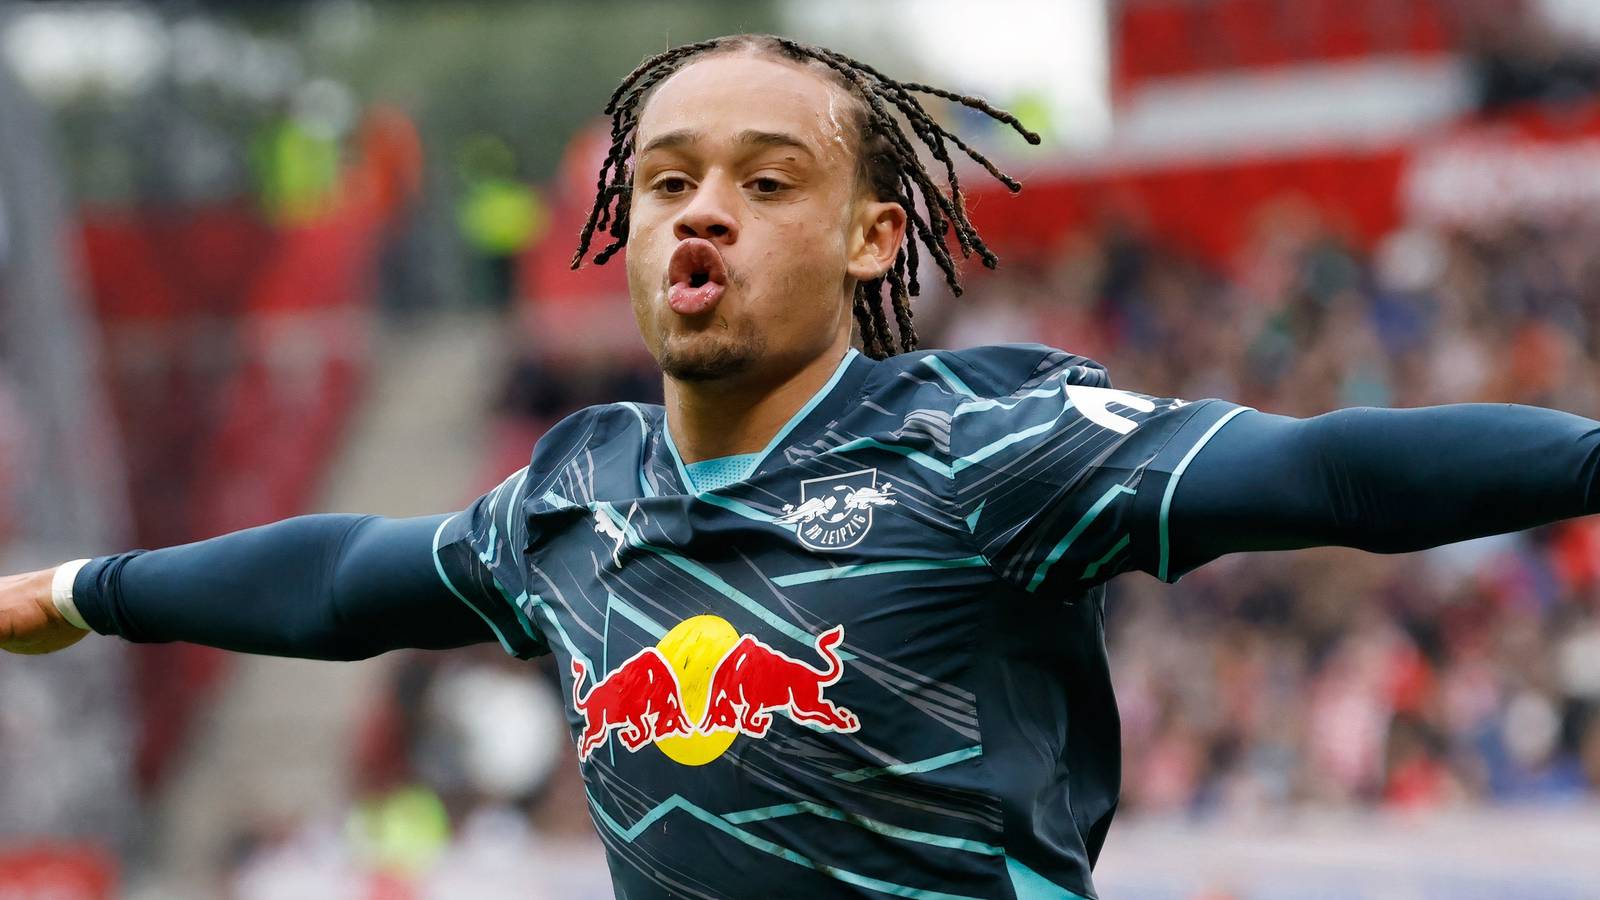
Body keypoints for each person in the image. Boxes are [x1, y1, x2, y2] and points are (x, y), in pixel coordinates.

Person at [4, 33, 1598, 900]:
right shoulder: (573, 498)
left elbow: (1326, 473)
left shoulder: (985, 447)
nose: (702, 209)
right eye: (667, 181)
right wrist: (85, 591)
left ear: (871, 238)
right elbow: (350, 580)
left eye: (768, 183)